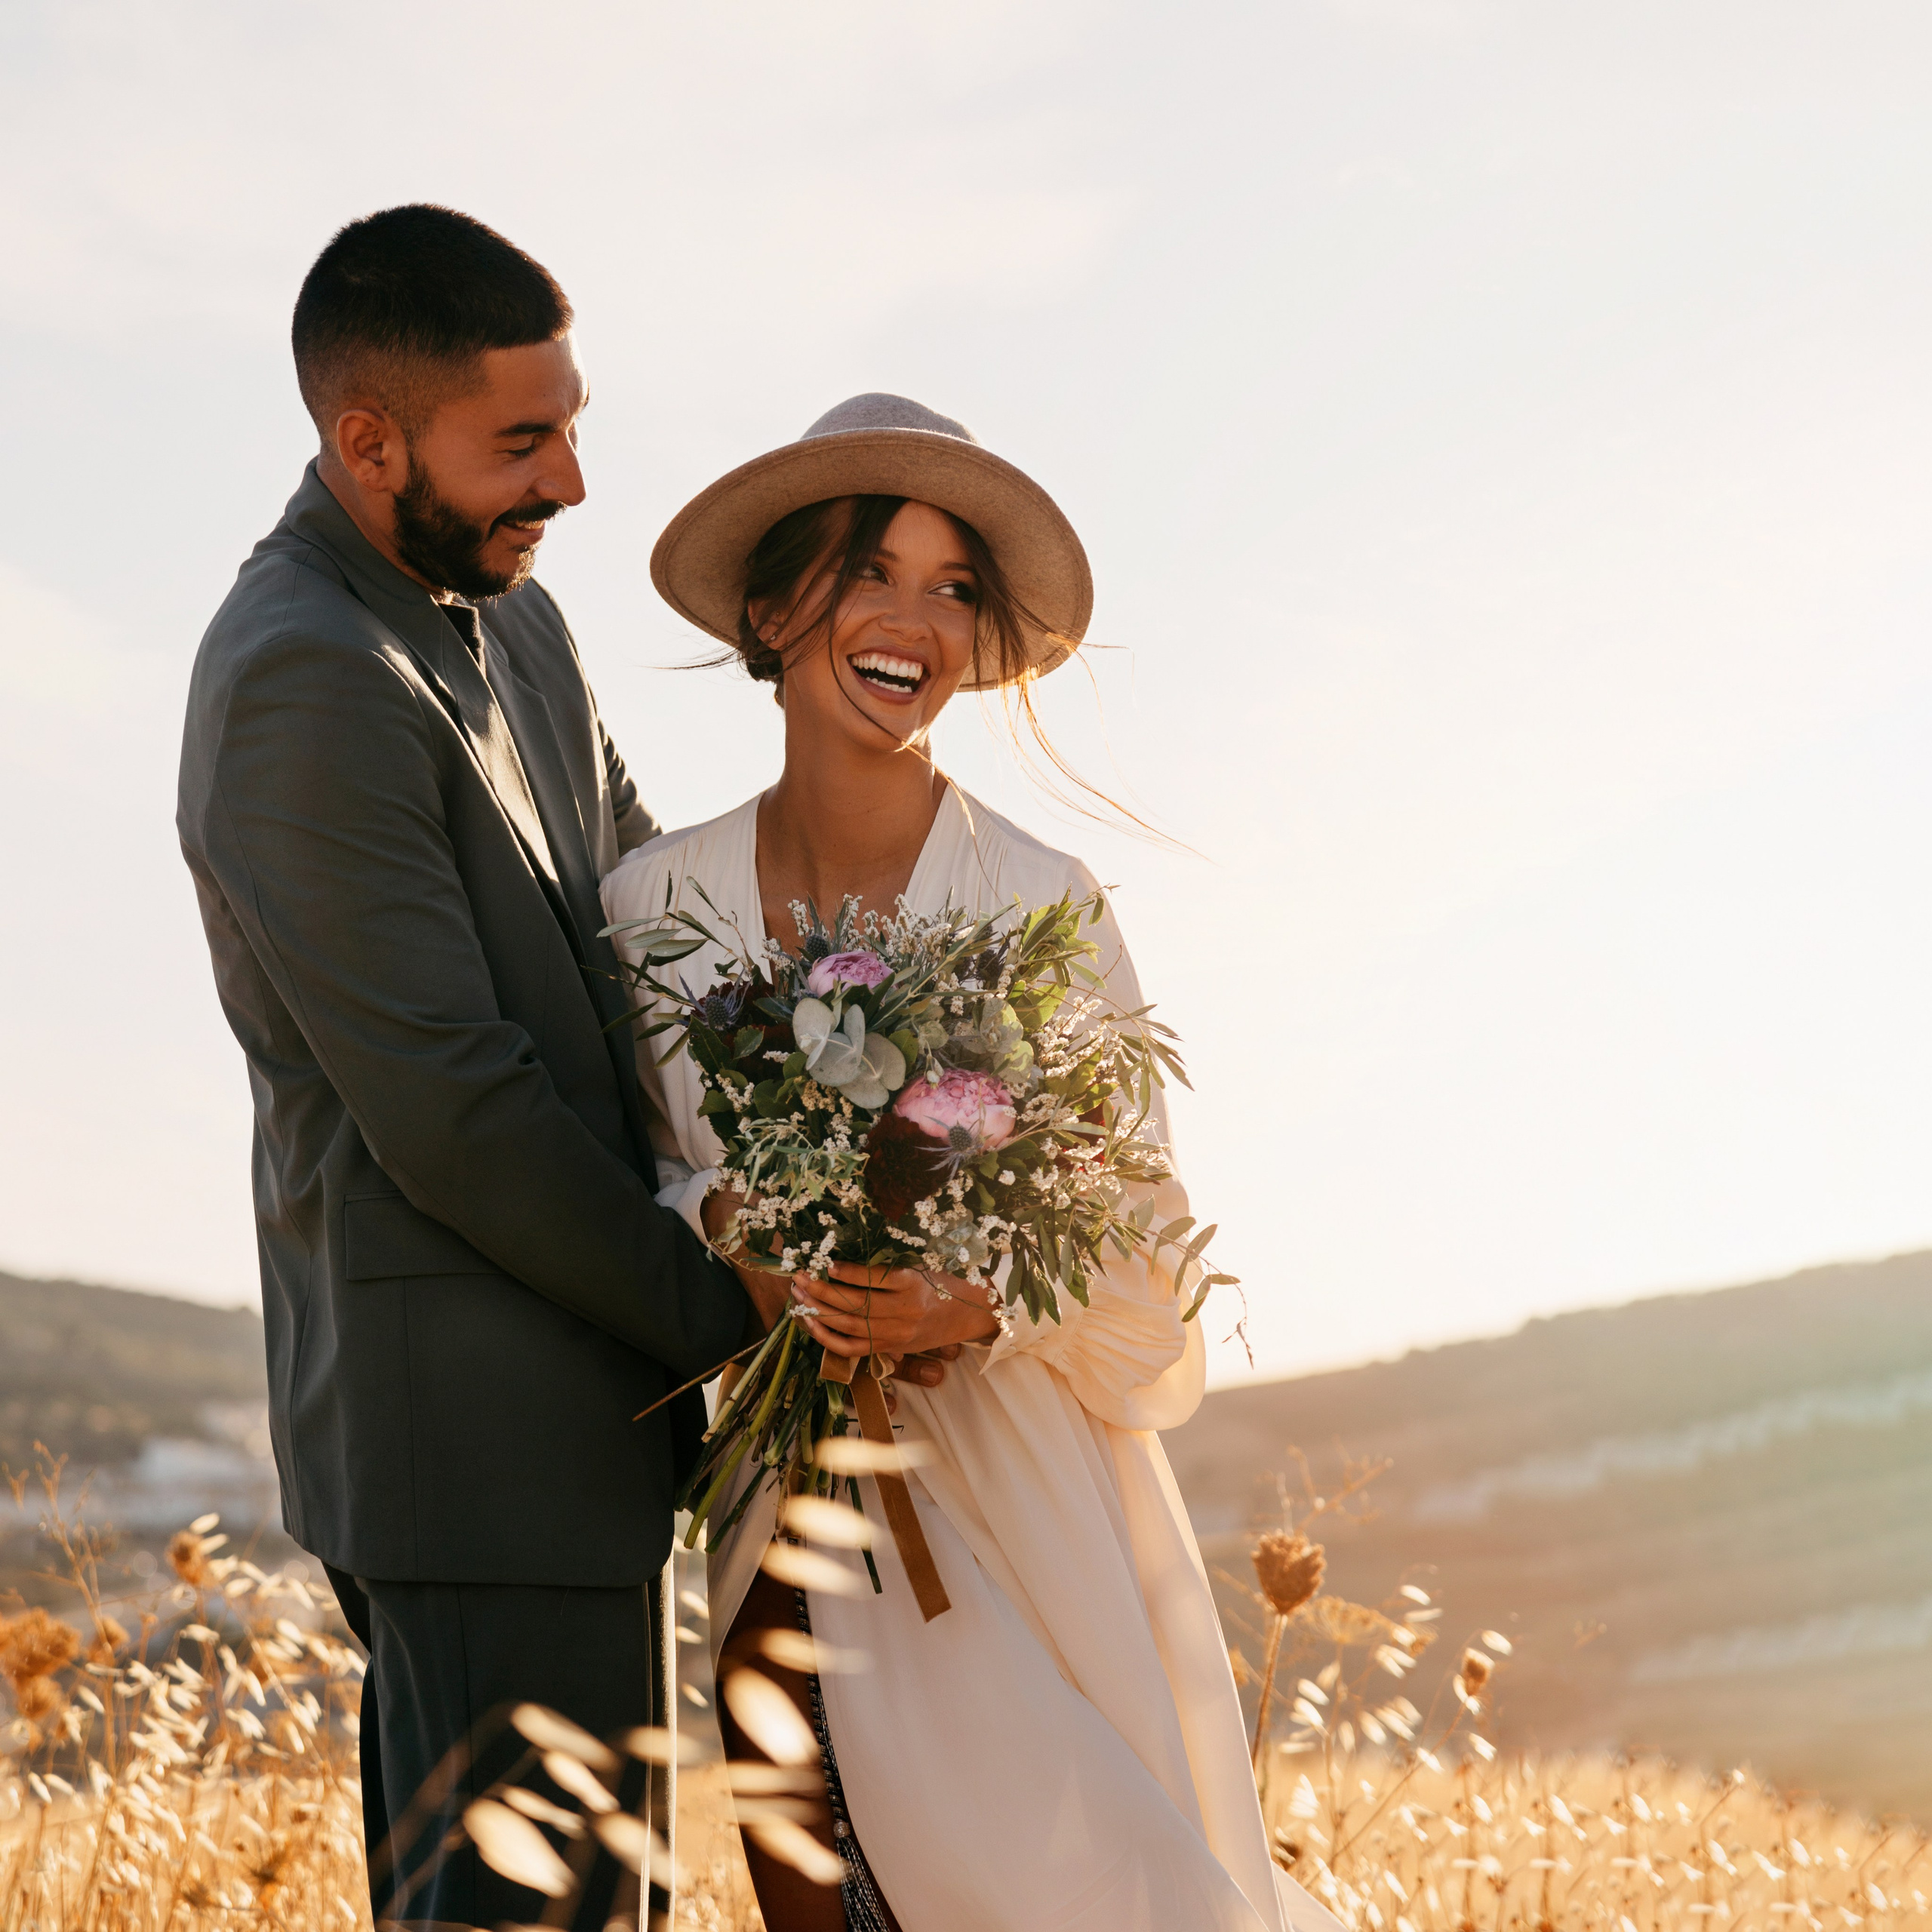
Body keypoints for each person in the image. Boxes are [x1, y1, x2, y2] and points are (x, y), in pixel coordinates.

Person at [174, 207, 958, 1930]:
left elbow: (651, 930)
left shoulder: (508, 618)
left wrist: (862, 1081)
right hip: (471, 1451)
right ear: (368, 441)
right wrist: (739, 1299)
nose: (574, 483)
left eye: (572, 425)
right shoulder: (302, 677)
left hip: (593, 1428)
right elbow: (458, 1113)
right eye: (522, 443)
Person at [601, 394, 1342, 1932]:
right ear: (771, 610)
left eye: (952, 587)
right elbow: (644, 1172)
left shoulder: (1038, 898)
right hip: (783, 1514)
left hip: (1025, 1524)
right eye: (871, 570)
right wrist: (730, 1221)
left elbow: (1147, 1267)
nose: (915, 619)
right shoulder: (652, 905)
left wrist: (974, 1303)